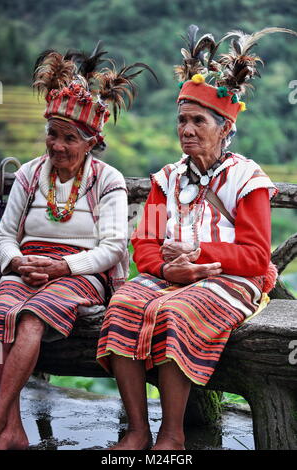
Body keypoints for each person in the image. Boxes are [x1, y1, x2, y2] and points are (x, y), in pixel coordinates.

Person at [96, 25, 296, 450]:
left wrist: (196, 254)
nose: (186, 129)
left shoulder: (248, 179)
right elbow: (144, 242)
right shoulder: (166, 179)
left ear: (224, 128)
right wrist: (170, 266)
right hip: (170, 275)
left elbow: (258, 257)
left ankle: (172, 436)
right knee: (122, 305)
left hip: (231, 280)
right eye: (181, 120)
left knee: (177, 313)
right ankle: (137, 431)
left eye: (198, 120)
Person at [0, 44, 153, 450]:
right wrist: (16, 262)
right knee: (0, 317)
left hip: (82, 273)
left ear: (90, 143)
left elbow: (114, 247)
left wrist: (62, 269)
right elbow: (4, 233)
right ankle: (11, 431)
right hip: (27, 264)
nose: (57, 145)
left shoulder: (108, 180)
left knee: (31, 316)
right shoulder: (31, 173)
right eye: (53, 134)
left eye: (69, 138)